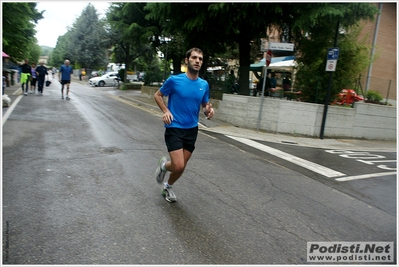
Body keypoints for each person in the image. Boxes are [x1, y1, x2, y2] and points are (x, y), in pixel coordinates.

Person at [154, 47, 215, 202]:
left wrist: (209, 111)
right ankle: (163, 166)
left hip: (192, 129)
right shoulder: (174, 81)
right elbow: (158, 95)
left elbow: (205, 104)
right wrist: (165, 111)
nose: (197, 61)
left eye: (200, 59)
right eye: (194, 58)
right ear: (187, 60)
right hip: (174, 127)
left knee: (181, 166)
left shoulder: (204, 84)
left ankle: (168, 186)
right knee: (178, 165)